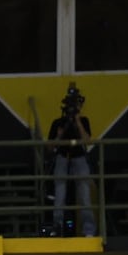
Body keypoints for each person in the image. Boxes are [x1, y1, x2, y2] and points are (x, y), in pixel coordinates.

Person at [48, 82, 95, 237]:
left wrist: (77, 120)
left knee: (84, 194)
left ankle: (88, 230)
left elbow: (87, 141)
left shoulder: (85, 120)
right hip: (62, 156)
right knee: (60, 194)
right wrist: (60, 134)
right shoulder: (57, 122)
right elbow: (50, 147)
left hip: (79, 156)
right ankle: (58, 228)